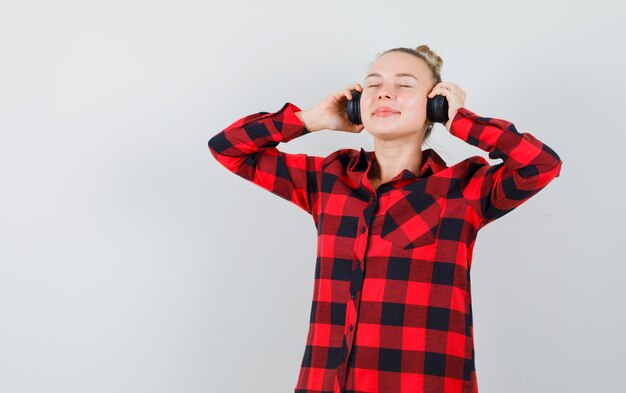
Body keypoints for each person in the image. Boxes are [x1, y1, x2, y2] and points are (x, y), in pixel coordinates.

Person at [208, 45, 562, 393]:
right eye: (373, 84)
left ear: (435, 105)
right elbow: (229, 148)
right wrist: (312, 120)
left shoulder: (466, 190)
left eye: (405, 85)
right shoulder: (329, 179)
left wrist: (462, 121)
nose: (384, 94)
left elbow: (541, 165)